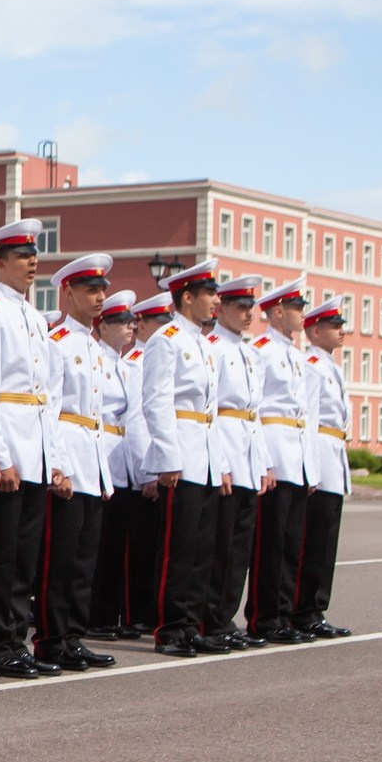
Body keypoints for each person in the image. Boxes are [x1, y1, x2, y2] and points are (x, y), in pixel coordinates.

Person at [0, 219, 56, 679]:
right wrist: (1, 455)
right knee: (2, 555)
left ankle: (14, 640)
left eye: (34, 257)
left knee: (25, 555)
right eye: (23, 257)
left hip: (37, 441)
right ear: (0, 263)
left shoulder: (34, 316)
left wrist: (53, 458)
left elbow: (47, 393)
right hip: (9, 439)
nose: (32, 264)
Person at [34, 254, 120, 671]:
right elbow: (49, 406)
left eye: (102, 289)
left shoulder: (94, 346)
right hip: (69, 451)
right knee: (61, 558)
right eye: (92, 290)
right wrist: (58, 464)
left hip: (92, 455)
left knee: (85, 557)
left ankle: (72, 635)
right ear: (68, 293)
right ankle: (51, 638)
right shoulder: (58, 344)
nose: (100, 297)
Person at [141, 261, 229, 656]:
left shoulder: (202, 343)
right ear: (187, 297)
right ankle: (171, 628)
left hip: (205, 455)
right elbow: (156, 401)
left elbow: (212, 411)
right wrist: (168, 456)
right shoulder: (168, 339)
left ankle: (191, 624)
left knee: (201, 549)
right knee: (178, 549)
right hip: (182, 455)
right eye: (209, 294)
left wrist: (220, 463)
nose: (216, 301)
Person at [206, 274, 273, 648]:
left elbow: (256, 412)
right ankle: (211, 617)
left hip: (247, 451)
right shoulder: (212, 347)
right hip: (225, 448)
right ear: (222, 308)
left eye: (251, 307)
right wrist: (221, 463)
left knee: (239, 546)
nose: (248, 314)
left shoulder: (251, 353)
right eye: (241, 307)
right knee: (219, 544)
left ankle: (226, 616)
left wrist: (261, 464)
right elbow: (210, 410)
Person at [248, 276, 316, 643]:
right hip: (274, 448)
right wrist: (264, 461)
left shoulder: (294, 353)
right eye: (296, 308)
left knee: (291, 543)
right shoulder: (261, 349)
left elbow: (303, 412)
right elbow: (253, 408)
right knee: (270, 543)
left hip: (296, 452)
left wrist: (310, 465)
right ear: (277, 312)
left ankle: (284, 615)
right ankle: (264, 617)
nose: (302, 314)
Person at [112, 292, 174, 640]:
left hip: (154, 466)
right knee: (135, 552)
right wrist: (148, 472)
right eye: (158, 322)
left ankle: (144, 611)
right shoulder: (136, 362)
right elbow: (137, 422)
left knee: (150, 548)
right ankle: (135, 614)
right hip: (142, 469)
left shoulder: (154, 357)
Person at [295, 296, 354, 639]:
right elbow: (310, 418)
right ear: (315, 331)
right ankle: (303, 610)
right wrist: (310, 468)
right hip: (319, 452)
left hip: (334, 454)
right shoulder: (312, 366)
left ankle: (315, 607)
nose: (341, 331)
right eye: (335, 326)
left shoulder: (330, 365)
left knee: (326, 539)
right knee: (313, 539)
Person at [87, 289, 141, 639]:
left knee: (117, 543)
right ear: (102, 326)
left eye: (131, 321)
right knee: (98, 543)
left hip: (121, 456)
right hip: (100, 449)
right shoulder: (97, 358)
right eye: (121, 321)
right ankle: (96, 615)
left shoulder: (126, 365)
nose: (129, 327)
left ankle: (111, 613)